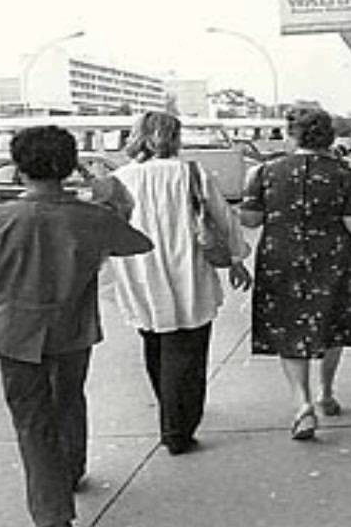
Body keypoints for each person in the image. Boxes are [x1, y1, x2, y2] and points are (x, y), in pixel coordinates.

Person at [0, 125, 152, 527]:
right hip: (74, 328)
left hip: (17, 330)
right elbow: (137, 243)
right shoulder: (92, 217)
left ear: (19, 168)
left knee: (32, 420)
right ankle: (70, 469)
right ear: (70, 166)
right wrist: (116, 199)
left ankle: (52, 513)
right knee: (69, 400)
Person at [241, 107, 351, 440]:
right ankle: (326, 393)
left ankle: (302, 404)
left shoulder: (266, 173)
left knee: (287, 327)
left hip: (280, 258)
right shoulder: (341, 174)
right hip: (332, 258)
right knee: (330, 322)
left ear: (292, 135)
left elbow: (250, 220)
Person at [107, 112, 252, 455]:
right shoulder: (190, 173)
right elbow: (222, 217)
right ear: (173, 137)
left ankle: (170, 410)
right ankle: (178, 427)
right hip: (186, 268)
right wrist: (236, 258)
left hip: (139, 270)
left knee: (155, 341)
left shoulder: (119, 179)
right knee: (188, 348)